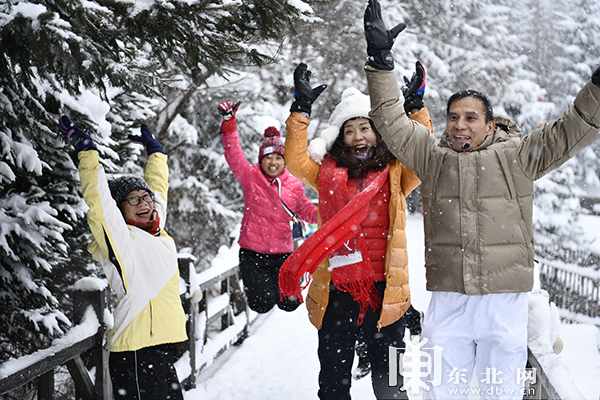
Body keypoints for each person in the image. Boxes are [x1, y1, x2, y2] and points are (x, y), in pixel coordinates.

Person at [362, 0, 600, 398]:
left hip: (504, 297)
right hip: (449, 294)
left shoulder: (520, 155)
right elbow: (390, 120)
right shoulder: (432, 157)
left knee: (500, 387)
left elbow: (572, 128)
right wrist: (381, 63)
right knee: (442, 386)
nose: (460, 124)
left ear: (490, 125)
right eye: (454, 116)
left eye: (471, 117)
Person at [278, 62, 433, 400]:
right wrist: (300, 111)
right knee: (333, 382)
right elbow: (294, 160)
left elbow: (423, 152)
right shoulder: (325, 174)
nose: (358, 136)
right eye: (349, 131)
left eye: (365, 127)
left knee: (390, 383)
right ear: (339, 139)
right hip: (338, 290)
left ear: (377, 132)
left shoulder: (396, 172)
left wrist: (416, 108)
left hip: (387, 293)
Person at [58, 116, 187, 399]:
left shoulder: (156, 229)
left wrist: (156, 155)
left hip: (162, 346)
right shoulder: (122, 241)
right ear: (120, 209)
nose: (145, 203)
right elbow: (100, 204)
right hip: (137, 352)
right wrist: (87, 155)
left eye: (146, 197)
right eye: (134, 199)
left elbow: (158, 190)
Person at [217, 100, 318, 314]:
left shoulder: (294, 183)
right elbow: (233, 155)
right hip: (253, 254)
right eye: (268, 158)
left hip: (283, 254)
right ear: (261, 161)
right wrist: (229, 123)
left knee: (290, 304)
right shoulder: (251, 177)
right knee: (261, 305)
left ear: (285, 161)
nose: (273, 163)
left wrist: (333, 214)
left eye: (278, 158)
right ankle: (256, 294)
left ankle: (277, 292)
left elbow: (308, 211)